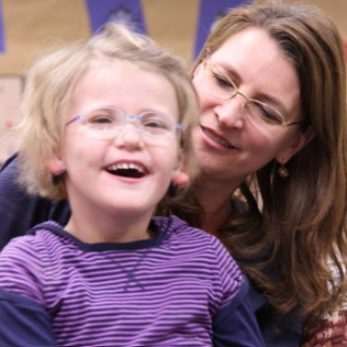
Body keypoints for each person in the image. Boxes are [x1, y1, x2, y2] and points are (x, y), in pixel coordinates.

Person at [0, 1, 346, 345]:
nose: (229, 115)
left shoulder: (260, 272)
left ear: (294, 144)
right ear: (197, 68)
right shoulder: (47, 205)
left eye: (266, 111)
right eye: (224, 80)